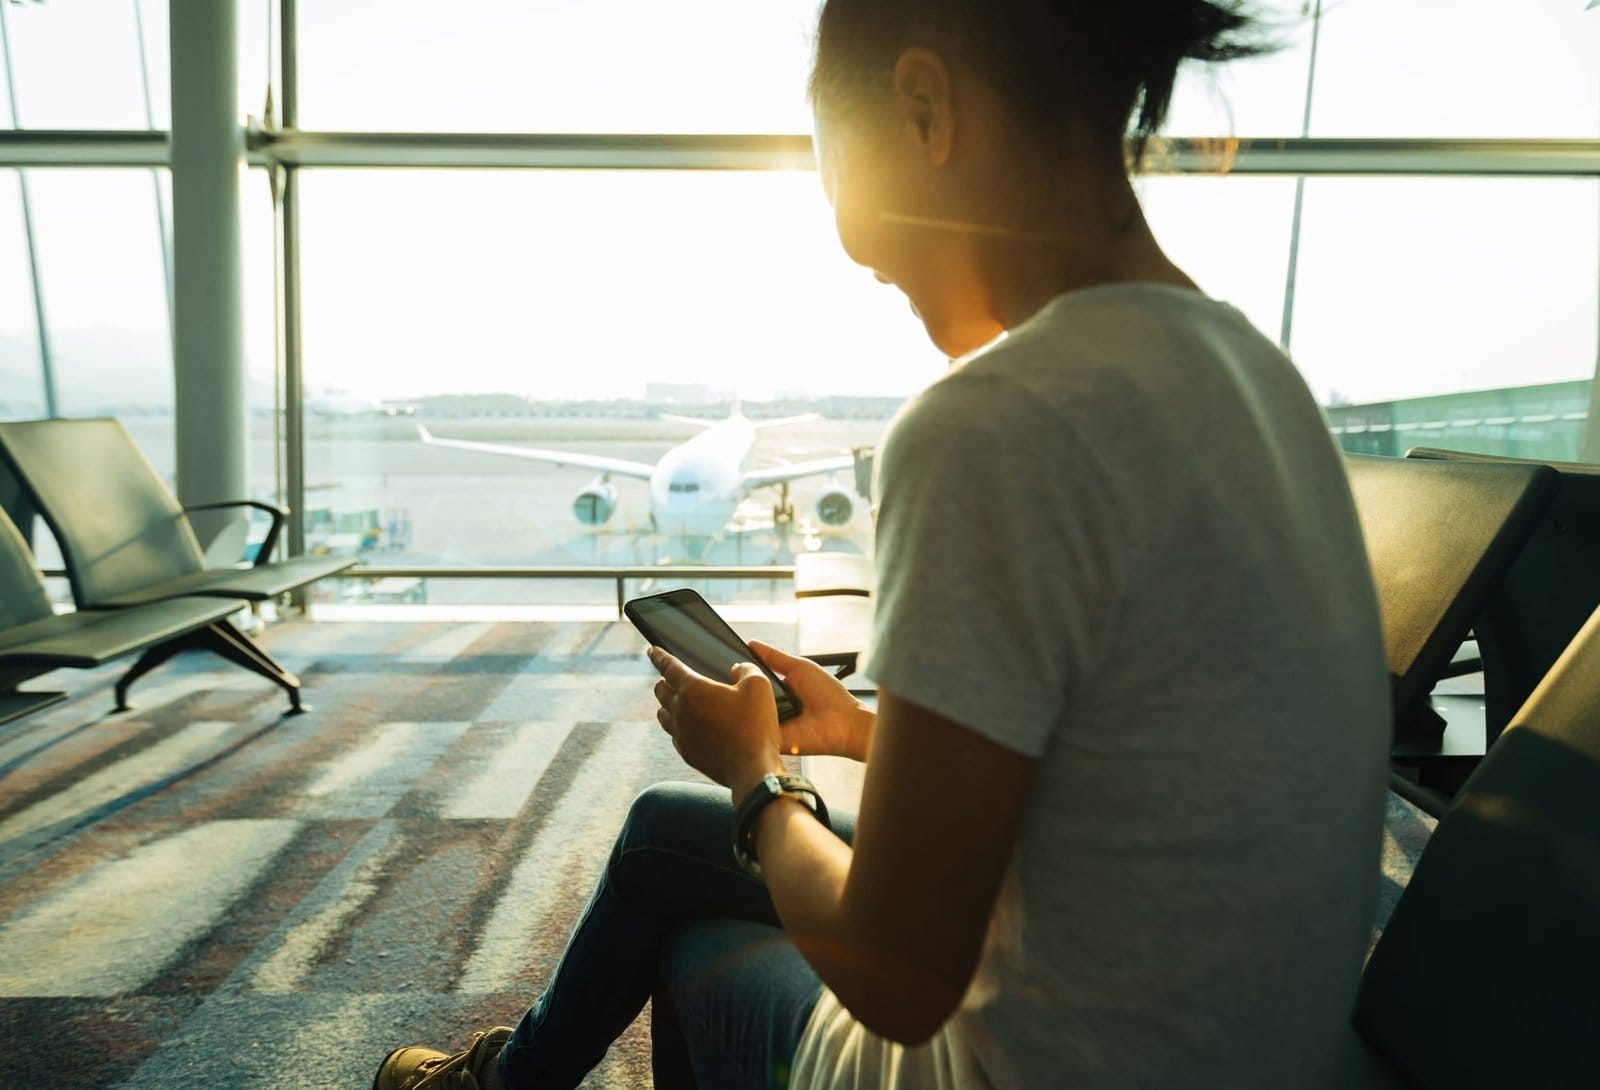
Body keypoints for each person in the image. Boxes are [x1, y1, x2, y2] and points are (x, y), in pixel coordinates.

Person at [373, 1, 1394, 1087]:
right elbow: (1158, 757)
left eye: (829, 175)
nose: (850, 244)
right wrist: (865, 735)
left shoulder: (997, 421)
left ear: (923, 107)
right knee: (666, 834)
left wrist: (758, 778)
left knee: (685, 897)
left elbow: (898, 977)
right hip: (1249, 1045)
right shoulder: (1257, 379)